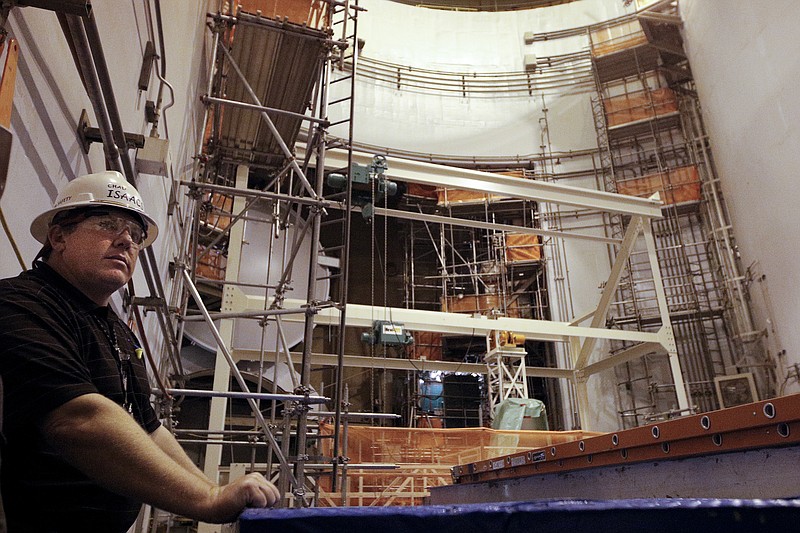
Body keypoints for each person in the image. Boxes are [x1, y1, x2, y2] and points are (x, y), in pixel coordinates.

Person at [0, 171, 279, 532]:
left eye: (135, 235)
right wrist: (206, 500)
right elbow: (77, 418)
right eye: (107, 224)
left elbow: (147, 428)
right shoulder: (21, 304)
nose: (125, 241)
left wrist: (212, 490)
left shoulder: (115, 329)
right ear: (58, 236)